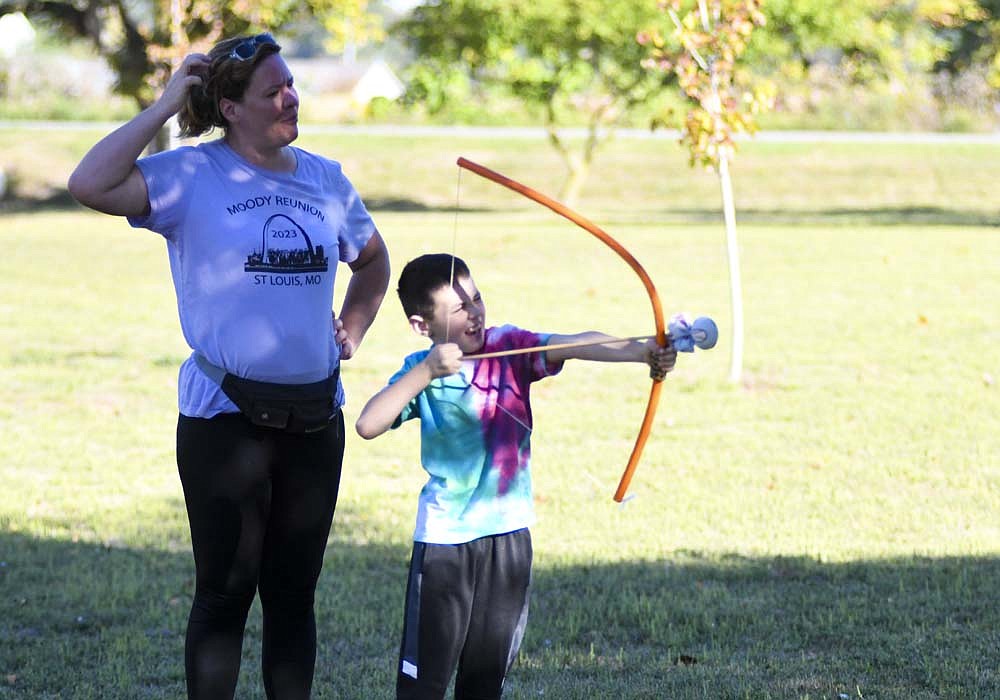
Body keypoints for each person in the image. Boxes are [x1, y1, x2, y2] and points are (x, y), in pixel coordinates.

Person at [67, 33, 390, 699]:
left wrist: (352, 329)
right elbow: (88, 183)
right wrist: (163, 107)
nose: (290, 97)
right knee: (224, 595)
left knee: (294, 598)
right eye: (271, 91)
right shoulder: (189, 175)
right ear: (229, 107)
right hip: (226, 422)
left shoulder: (326, 179)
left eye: (290, 83)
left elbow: (373, 262)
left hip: (315, 421)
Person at [355, 254, 676, 700]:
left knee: (485, 680)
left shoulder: (511, 347)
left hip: (509, 536)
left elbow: (577, 344)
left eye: (477, 298)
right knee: (423, 683)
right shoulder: (420, 370)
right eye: (457, 308)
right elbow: (368, 424)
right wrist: (426, 370)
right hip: (446, 542)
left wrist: (643, 350)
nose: (474, 312)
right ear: (421, 325)